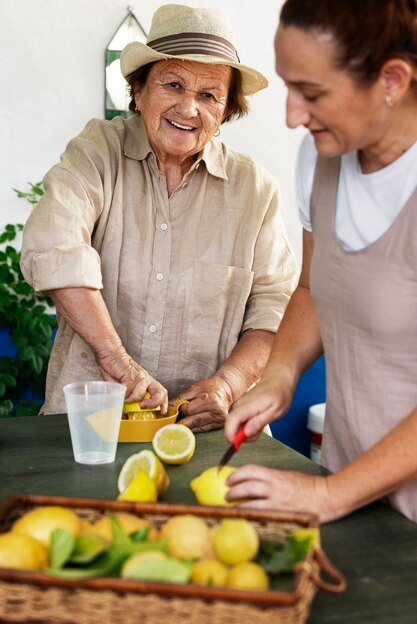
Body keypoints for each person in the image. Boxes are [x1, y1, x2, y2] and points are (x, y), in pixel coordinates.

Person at [20, 4, 298, 431]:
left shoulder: (255, 190)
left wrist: (227, 385)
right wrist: (116, 360)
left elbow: (275, 309)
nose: (189, 109)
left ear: (225, 112)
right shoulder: (96, 152)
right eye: (173, 84)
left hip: (201, 433)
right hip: (90, 425)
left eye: (209, 95)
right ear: (139, 90)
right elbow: (55, 246)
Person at [225, 0, 417, 523]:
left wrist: (327, 497)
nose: (291, 116)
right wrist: (279, 374)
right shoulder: (320, 157)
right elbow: (311, 288)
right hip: (352, 490)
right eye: (289, 86)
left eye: (311, 93)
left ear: (392, 79)